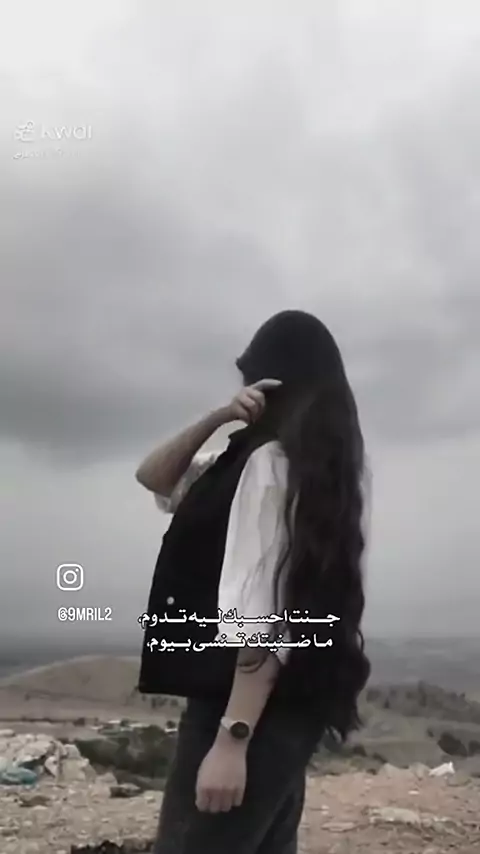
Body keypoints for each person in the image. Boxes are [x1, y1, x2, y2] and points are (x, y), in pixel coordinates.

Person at [135, 309, 371, 854]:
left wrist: (232, 739)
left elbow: (258, 616)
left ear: (273, 384)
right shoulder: (282, 465)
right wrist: (219, 417)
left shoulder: (269, 466)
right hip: (286, 710)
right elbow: (153, 476)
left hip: (243, 710)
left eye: (252, 378)